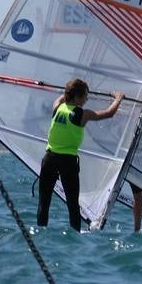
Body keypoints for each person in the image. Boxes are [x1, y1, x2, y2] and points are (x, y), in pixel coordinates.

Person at [37, 78, 124, 230]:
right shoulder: (83, 114)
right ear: (77, 97)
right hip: (67, 162)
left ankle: (40, 233)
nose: (87, 99)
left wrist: (68, 93)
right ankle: (75, 239)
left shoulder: (57, 107)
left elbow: (61, 98)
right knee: (72, 204)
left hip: (49, 158)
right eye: (85, 96)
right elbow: (109, 113)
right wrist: (118, 99)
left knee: (44, 203)